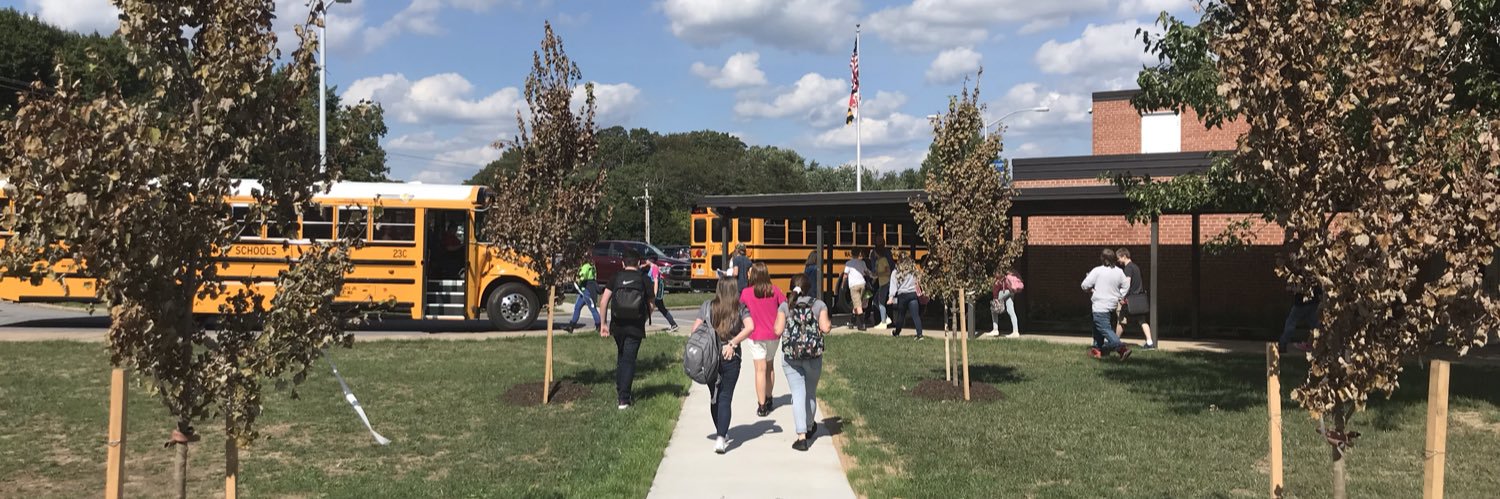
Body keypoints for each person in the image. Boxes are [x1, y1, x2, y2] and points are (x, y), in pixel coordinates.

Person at [692, 276, 754, 454]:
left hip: (711, 356)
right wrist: (733, 343)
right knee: (726, 397)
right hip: (731, 355)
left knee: (715, 396)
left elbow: (695, 330)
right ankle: (721, 437)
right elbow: (750, 326)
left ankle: (721, 431)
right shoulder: (740, 308)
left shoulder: (707, 306)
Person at [775, 273, 832, 451]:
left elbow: (777, 330)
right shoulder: (818, 304)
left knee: (798, 394)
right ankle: (809, 426)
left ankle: (801, 437)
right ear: (809, 288)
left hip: (791, 358)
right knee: (810, 393)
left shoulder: (786, 305)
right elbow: (825, 328)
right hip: (813, 356)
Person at [599, 251, 653, 409]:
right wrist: (643, 318)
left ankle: (621, 390)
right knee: (629, 359)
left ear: (623, 264)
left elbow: (603, 301)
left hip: (618, 325)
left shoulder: (615, 277)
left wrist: (603, 323)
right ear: (638, 263)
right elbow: (651, 304)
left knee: (622, 356)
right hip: (635, 325)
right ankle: (624, 399)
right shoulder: (644, 279)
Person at [739, 262, 786, 417]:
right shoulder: (776, 290)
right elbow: (785, 307)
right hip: (773, 334)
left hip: (756, 335)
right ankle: (769, 397)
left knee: (760, 370)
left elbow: (739, 310)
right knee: (770, 367)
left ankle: (761, 406)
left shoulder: (746, 293)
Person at [1082, 249, 1132, 360]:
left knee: (1104, 329)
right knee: (1097, 328)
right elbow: (1126, 285)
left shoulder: (1097, 271)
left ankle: (1122, 349)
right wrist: (1120, 296)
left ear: (1103, 259)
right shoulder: (1119, 272)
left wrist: (1091, 289)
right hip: (1112, 305)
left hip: (1100, 305)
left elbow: (1084, 285)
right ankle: (1097, 350)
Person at [1114, 248, 1156, 349]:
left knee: (1121, 320)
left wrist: (1122, 297)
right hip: (1138, 298)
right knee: (1142, 320)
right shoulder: (1136, 267)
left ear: (1124, 256)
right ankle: (1150, 342)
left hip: (1129, 299)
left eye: (1119, 258)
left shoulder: (1128, 268)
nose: (1118, 261)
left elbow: (1127, 283)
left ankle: (1114, 342)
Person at [886, 251, 924, 340]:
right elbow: (918, 280)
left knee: (901, 316)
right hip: (912, 294)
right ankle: (919, 334)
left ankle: (897, 332)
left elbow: (893, 285)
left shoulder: (896, 272)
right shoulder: (913, 270)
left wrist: (891, 297)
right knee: (915, 316)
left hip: (902, 295)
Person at [1278, 285, 1322, 353]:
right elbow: (1319, 289)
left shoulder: (1299, 276)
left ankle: (1283, 342)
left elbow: (1294, 288)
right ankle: (1316, 344)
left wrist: (1293, 288)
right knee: (1315, 325)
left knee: (1291, 322)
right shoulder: (1314, 276)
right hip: (1313, 303)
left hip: (1301, 304)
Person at [567, 261, 601, 334]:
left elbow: (582, 276)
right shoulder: (592, 266)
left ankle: (599, 326)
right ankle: (571, 326)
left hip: (587, 290)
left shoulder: (586, 266)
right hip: (583, 290)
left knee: (592, 309)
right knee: (577, 307)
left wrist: (576, 277)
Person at [841, 249, 871, 330]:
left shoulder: (849, 263)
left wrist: (843, 285)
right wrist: (872, 275)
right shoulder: (862, 262)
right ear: (859, 254)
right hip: (862, 284)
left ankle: (862, 324)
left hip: (854, 286)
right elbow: (866, 272)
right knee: (857, 303)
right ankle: (852, 322)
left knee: (858, 305)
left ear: (851, 254)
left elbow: (845, 276)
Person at [647, 259, 680, 332]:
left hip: (655, 292)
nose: (645, 261)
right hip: (652, 291)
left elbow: (656, 281)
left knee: (660, 308)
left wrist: (655, 293)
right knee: (660, 308)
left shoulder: (654, 267)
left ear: (650, 260)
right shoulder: (651, 267)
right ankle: (673, 324)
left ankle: (673, 324)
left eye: (646, 259)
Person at [869, 237, 895, 328]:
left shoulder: (883, 259)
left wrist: (878, 274)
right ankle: (885, 318)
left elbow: (888, 270)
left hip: (885, 283)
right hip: (880, 282)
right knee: (876, 300)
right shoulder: (878, 260)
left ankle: (883, 322)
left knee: (881, 302)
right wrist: (872, 276)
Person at [989, 270, 1022, 338]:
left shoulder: (998, 280)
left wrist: (996, 299)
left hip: (1006, 291)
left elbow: (995, 291)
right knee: (1011, 311)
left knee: (993, 308)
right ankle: (1015, 332)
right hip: (1011, 291)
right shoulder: (1006, 277)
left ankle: (995, 329)